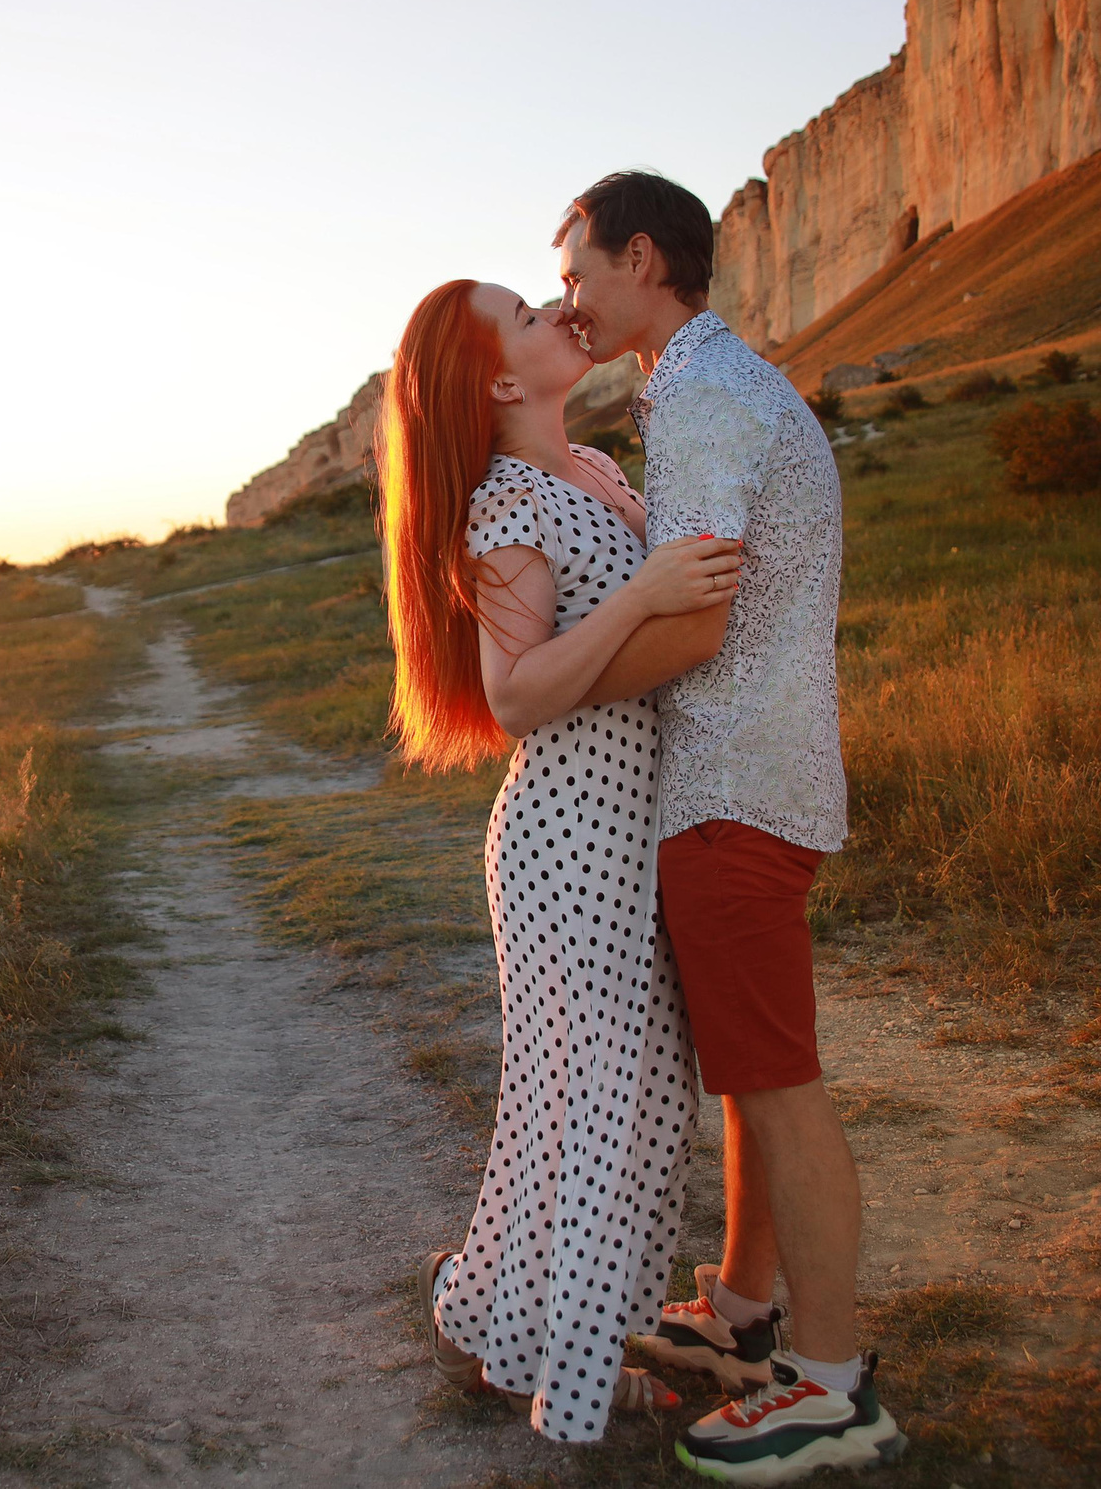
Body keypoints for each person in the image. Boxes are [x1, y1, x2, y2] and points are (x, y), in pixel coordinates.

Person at [554, 170, 906, 1482]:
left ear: (642, 257)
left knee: (778, 1083)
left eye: (582, 270)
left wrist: (553, 692)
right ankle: (748, 1311)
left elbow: (696, 618)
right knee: (755, 1071)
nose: (571, 297)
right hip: (768, 777)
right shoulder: (727, 379)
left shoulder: (698, 396)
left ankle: (828, 1383)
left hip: (731, 787)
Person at [380, 276, 744, 1444]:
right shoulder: (503, 506)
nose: (554, 311)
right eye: (528, 315)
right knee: (611, 1109)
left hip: (623, 828)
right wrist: (643, 587)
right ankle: (580, 1379)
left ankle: (496, 1318)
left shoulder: (578, 472)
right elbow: (517, 694)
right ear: (498, 379)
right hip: (570, 837)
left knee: (595, 1106)